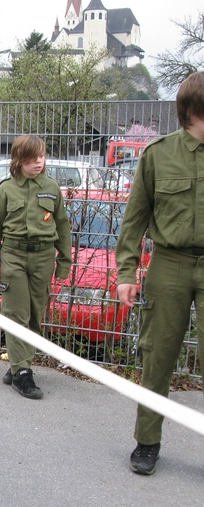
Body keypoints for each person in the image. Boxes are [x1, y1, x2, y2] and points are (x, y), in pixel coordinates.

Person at [116, 71, 204, 476]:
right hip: (170, 264)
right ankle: (147, 441)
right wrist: (126, 272)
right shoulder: (158, 155)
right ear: (193, 112)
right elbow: (134, 219)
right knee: (157, 356)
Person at [0, 134, 72, 400]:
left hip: (43, 258)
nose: (38, 162)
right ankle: (22, 373)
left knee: (34, 316)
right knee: (16, 315)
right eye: (32, 158)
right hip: (14, 256)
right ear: (19, 160)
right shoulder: (6, 189)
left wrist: (64, 263)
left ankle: (19, 365)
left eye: (41, 157)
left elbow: (63, 227)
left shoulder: (52, 188)